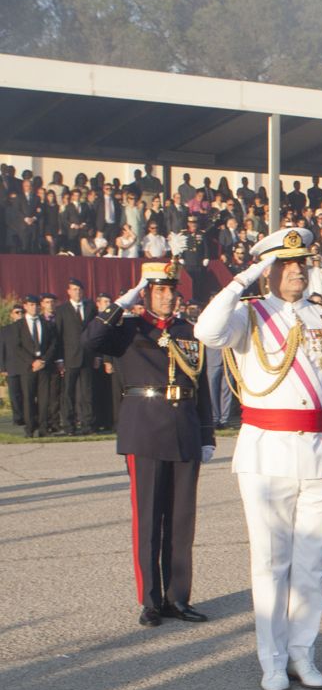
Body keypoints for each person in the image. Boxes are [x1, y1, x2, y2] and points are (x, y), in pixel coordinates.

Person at [194, 227, 322, 690]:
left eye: (303, 262)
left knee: (311, 566)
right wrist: (240, 281)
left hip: (316, 454)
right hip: (265, 453)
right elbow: (206, 332)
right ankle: (271, 660)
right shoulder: (249, 316)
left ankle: (302, 654)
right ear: (267, 271)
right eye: (286, 264)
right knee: (270, 564)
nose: (298, 270)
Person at [84, 261, 216, 627]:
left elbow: (200, 385)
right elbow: (90, 340)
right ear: (146, 294)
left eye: (172, 290)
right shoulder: (127, 330)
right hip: (144, 429)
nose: (168, 297)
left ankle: (178, 598)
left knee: (182, 521)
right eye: (160, 290)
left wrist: (206, 434)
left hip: (185, 429)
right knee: (148, 521)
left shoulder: (189, 331)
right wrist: (123, 302)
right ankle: (151, 601)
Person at [55, 278, 97, 435]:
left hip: (87, 356)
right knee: (68, 393)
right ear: (68, 291)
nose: (77, 292)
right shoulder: (62, 310)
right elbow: (58, 336)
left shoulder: (90, 307)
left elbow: (96, 333)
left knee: (87, 392)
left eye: (79, 290)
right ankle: (69, 426)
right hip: (69, 357)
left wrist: (97, 355)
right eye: (74, 289)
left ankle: (88, 425)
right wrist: (59, 359)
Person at [13, 294, 56, 437]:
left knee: (44, 398)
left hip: (44, 366)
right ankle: (30, 428)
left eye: (37, 305)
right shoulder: (19, 325)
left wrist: (43, 360)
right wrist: (32, 361)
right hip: (28, 367)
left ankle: (43, 428)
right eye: (31, 305)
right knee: (29, 398)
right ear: (25, 306)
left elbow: (52, 344)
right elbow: (17, 347)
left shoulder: (46, 323)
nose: (34, 308)